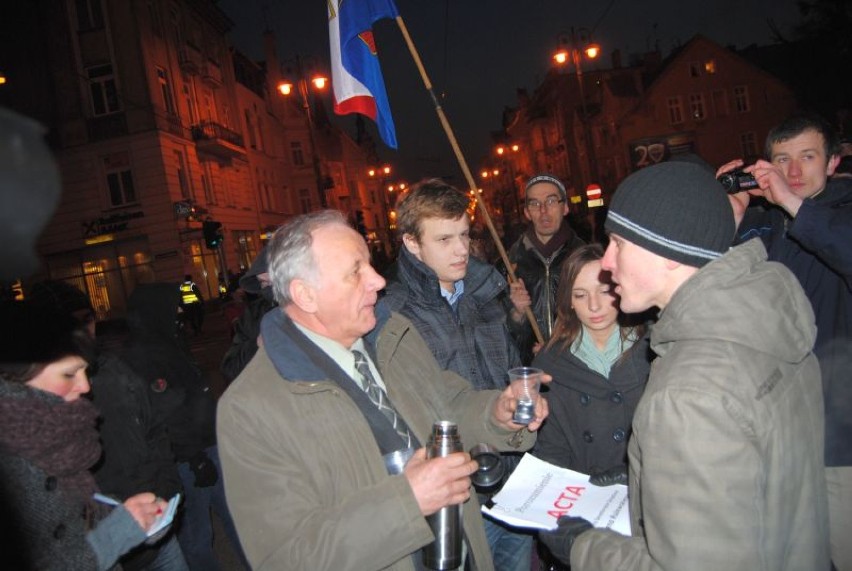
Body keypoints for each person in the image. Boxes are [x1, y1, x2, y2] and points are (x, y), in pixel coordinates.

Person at [216, 210, 549, 571]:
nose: (377, 280)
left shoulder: (391, 333)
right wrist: (408, 501)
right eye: (355, 272)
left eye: (370, 266)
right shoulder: (250, 408)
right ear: (306, 295)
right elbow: (286, 558)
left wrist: (496, 413)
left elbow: (447, 405)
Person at [540, 162, 830, 570]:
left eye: (619, 243)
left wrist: (581, 544)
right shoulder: (763, 321)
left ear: (668, 252)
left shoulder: (688, 394)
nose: (607, 262)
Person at [718, 113, 852, 571]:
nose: (794, 172)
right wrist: (727, 218)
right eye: (782, 160)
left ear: (834, 162)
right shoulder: (765, 224)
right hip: (778, 439)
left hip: (840, 442)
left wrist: (795, 205)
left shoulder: (839, 214)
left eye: (808, 157)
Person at [379, 180, 532, 571]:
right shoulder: (393, 316)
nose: (462, 249)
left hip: (511, 481)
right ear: (412, 243)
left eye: (464, 235)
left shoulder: (484, 293)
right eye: (444, 239)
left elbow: (506, 371)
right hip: (457, 499)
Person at [28, 279, 188, 571]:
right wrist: (116, 528)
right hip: (112, 547)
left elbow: (155, 431)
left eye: (87, 319)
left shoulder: (115, 369)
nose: (84, 386)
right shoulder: (25, 427)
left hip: (154, 529)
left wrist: (165, 488)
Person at [124, 283, 247, 571]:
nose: (179, 310)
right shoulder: (145, 354)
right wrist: (195, 458)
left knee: (240, 521)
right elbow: (167, 414)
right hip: (187, 460)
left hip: (207, 446)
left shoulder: (168, 339)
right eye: (173, 305)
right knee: (197, 537)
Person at [531, 243, 651, 476]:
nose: (594, 305)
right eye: (580, 295)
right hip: (586, 493)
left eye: (604, 291)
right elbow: (552, 452)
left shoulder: (653, 348)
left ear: (620, 288)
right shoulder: (550, 365)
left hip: (648, 488)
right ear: (569, 302)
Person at [504, 174, 585, 364]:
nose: (543, 210)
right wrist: (517, 314)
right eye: (534, 204)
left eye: (551, 201)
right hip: (531, 371)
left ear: (565, 207)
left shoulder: (586, 259)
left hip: (577, 368)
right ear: (526, 212)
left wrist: (561, 353)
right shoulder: (510, 263)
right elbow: (498, 334)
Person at [220, 247, 277, 383]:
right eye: (263, 282)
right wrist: (258, 344)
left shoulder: (317, 307)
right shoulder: (253, 314)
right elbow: (230, 369)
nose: (269, 288)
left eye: (274, 280)